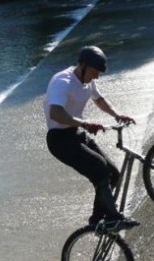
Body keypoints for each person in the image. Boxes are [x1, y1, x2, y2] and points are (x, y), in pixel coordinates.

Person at [43, 45, 140, 231]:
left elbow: (99, 100)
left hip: (75, 134)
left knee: (113, 174)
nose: (96, 77)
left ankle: (96, 220)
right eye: (94, 72)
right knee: (99, 169)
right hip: (59, 140)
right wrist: (84, 123)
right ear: (82, 65)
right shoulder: (62, 81)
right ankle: (113, 217)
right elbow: (56, 113)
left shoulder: (87, 81)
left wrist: (117, 115)